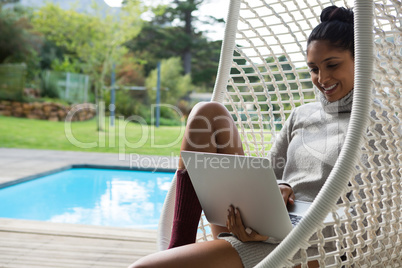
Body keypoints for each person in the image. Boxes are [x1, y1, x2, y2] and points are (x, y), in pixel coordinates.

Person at [129, 5, 355, 268]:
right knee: (207, 113)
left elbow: (368, 214)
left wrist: (274, 230)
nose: (322, 77)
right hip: (258, 230)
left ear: (360, 60)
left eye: (332, 65)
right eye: (314, 68)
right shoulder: (302, 115)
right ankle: (180, 243)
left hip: (311, 247)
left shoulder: (375, 125)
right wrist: (281, 189)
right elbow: (270, 174)